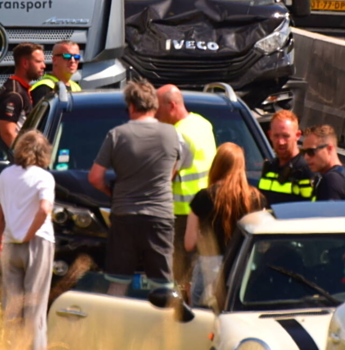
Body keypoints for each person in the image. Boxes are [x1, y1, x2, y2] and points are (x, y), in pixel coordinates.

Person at [89, 80, 189, 296]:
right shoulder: (173, 134)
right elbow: (177, 168)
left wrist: (114, 194)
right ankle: (164, 317)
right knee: (163, 286)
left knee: (118, 282)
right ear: (154, 105)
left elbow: (95, 178)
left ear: (132, 106)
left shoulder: (117, 134)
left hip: (124, 216)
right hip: (160, 216)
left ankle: (114, 316)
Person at [0, 130, 55, 350]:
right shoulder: (44, 177)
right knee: (35, 309)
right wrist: (29, 234)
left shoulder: (5, 175)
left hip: (10, 243)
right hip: (38, 241)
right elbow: (44, 209)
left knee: (11, 307)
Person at [185, 143, 266, 306]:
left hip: (209, 265)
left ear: (217, 165)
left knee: (200, 312)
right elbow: (262, 243)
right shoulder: (257, 198)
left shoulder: (203, 197)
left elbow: (189, 243)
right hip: (243, 264)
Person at [157, 84, 217, 290]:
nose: (155, 113)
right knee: (199, 272)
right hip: (206, 210)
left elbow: (163, 177)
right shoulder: (202, 123)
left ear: (172, 105)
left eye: (158, 107)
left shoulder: (177, 135)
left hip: (182, 214)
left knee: (179, 274)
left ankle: (180, 307)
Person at [0, 42, 46, 148]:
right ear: (25, 63)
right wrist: (24, 156)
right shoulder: (13, 94)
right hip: (12, 156)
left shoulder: (21, 89)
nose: (43, 66)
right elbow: (7, 134)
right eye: (38, 61)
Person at [259, 110, 315, 204]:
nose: (281, 142)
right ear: (270, 135)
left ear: (297, 135)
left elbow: (310, 210)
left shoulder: (305, 171)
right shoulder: (269, 167)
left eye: (286, 136)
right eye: (276, 136)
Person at [301, 125, 345, 202]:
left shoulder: (331, 180)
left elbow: (327, 210)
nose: (306, 157)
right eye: (303, 152)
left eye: (311, 152)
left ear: (329, 149)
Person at [30, 40, 82, 106]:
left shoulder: (76, 87)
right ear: (54, 60)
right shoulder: (44, 88)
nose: (72, 60)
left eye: (76, 57)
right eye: (67, 56)